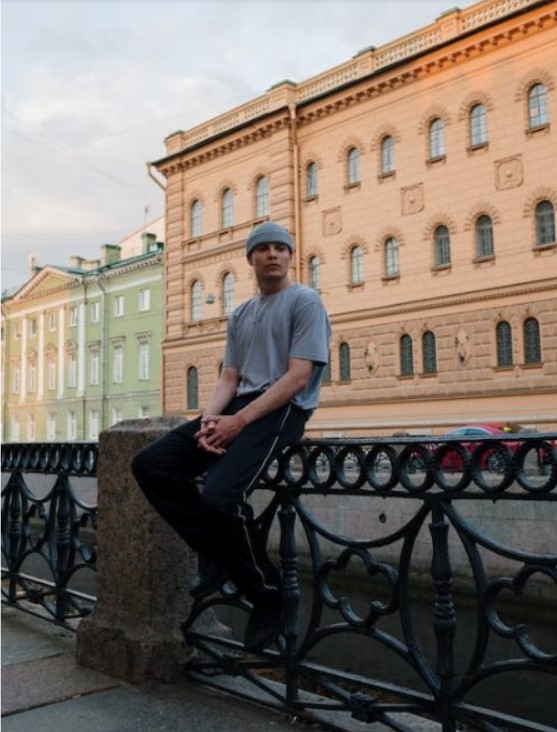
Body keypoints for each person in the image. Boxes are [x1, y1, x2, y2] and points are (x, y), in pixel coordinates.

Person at [131, 221, 331, 652]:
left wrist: (237, 423)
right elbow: (229, 376)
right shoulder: (242, 313)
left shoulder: (305, 301)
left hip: (282, 410)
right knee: (151, 464)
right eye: (264, 249)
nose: (273, 255)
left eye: (282, 248)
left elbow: (298, 378)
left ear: (291, 256)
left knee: (221, 499)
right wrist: (209, 421)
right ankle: (217, 552)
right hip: (239, 407)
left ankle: (266, 594)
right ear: (251, 259)